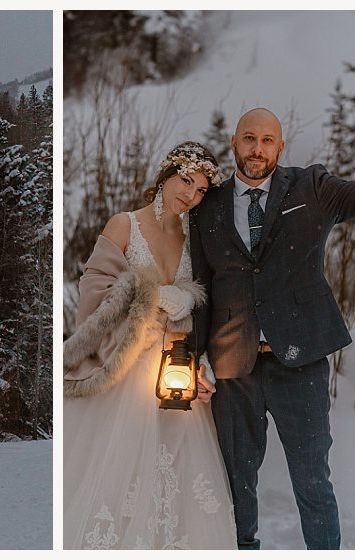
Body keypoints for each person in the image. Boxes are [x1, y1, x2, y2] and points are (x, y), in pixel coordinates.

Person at [190, 100, 355, 550]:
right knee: (236, 480)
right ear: (234, 142)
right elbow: (199, 287)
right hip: (234, 369)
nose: (257, 148)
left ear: (280, 146)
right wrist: (191, 359)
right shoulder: (206, 206)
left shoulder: (311, 186)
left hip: (301, 363)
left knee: (312, 477)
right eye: (249, 138)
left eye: (267, 140)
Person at [63, 141, 235, 549]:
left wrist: (189, 308)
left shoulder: (197, 238)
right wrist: (148, 294)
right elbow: (93, 298)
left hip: (174, 371)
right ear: (166, 175)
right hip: (124, 368)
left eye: (200, 191)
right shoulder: (124, 224)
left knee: (177, 478)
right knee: (115, 475)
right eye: (185, 181)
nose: (190, 195)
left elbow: (210, 303)